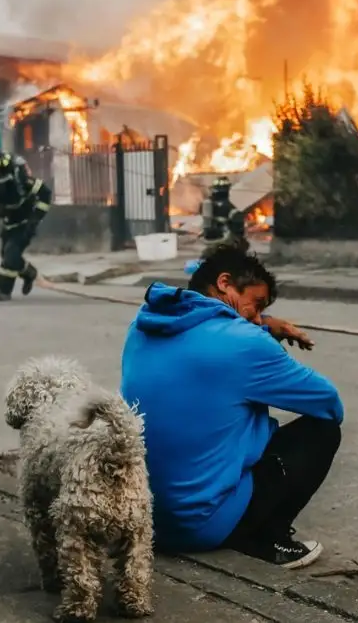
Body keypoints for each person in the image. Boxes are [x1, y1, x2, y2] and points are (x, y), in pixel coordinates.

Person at [121, 243, 343, 569]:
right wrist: (264, 340)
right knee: (322, 432)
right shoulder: (245, 343)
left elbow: (208, 346)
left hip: (140, 518)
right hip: (197, 528)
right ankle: (266, 537)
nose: (255, 320)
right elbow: (328, 403)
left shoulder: (143, 326)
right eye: (255, 306)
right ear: (225, 283)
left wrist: (265, 324)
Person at [0, 150, 52, 302]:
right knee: (8, 256)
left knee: (11, 254)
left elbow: (45, 193)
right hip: (8, 221)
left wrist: (35, 218)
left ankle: (4, 291)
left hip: (25, 221)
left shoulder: (22, 179)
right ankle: (29, 273)